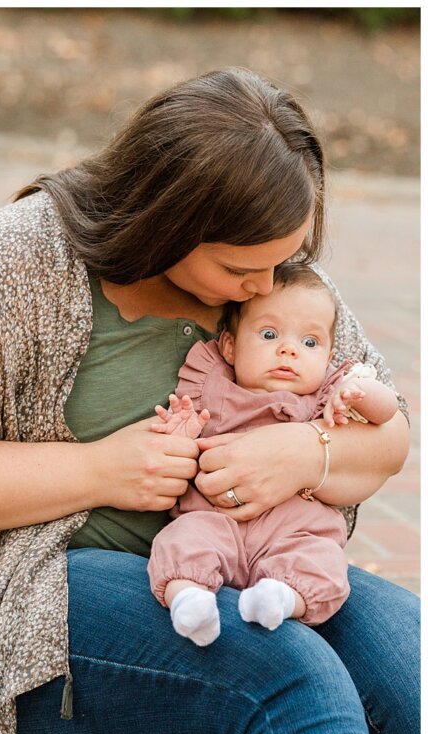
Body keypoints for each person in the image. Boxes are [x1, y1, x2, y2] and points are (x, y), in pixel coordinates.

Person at [0, 68, 418, 734]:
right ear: (170, 221)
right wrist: (97, 471)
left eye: (285, 260)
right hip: (43, 583)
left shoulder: (267, 269)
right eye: (242, 269)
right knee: (289, 681)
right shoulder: (14, 261)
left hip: (255, 558)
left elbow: (388, 435)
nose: (267, 287)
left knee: (411, 664)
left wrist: (309, 454)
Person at [146, 263, 399, 646]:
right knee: (182, 538)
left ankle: (281, 599)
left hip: (294, 530)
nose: (289, 349)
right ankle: (189, 599)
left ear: (330, 354)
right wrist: (179, 433)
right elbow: (179, 449)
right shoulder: (209, 386)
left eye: (310, 343)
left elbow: (389, 414)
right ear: (230, 346)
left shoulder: (328, 394)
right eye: (268, 334)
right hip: (216, 521)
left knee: (321, 560)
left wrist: (360, 390)